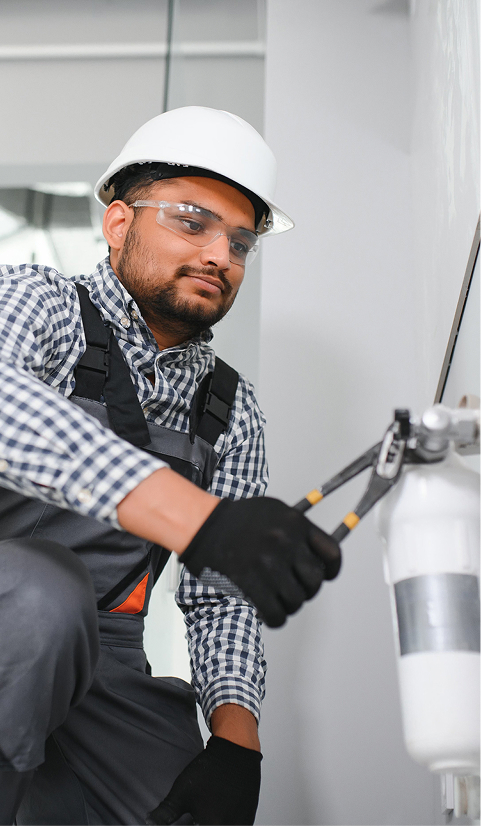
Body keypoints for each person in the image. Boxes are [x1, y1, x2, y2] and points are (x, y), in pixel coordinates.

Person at [0, 106, 341, 825]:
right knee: (44, 592)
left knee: (182, 804)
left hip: (107, 657)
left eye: (240, 242)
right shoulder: (40, 302)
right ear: (118, 225)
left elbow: (222, 598)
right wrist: (201, 520)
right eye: (192, 222)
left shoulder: (227, 408)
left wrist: (236, 745)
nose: (221, 253)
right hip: (16, 608)